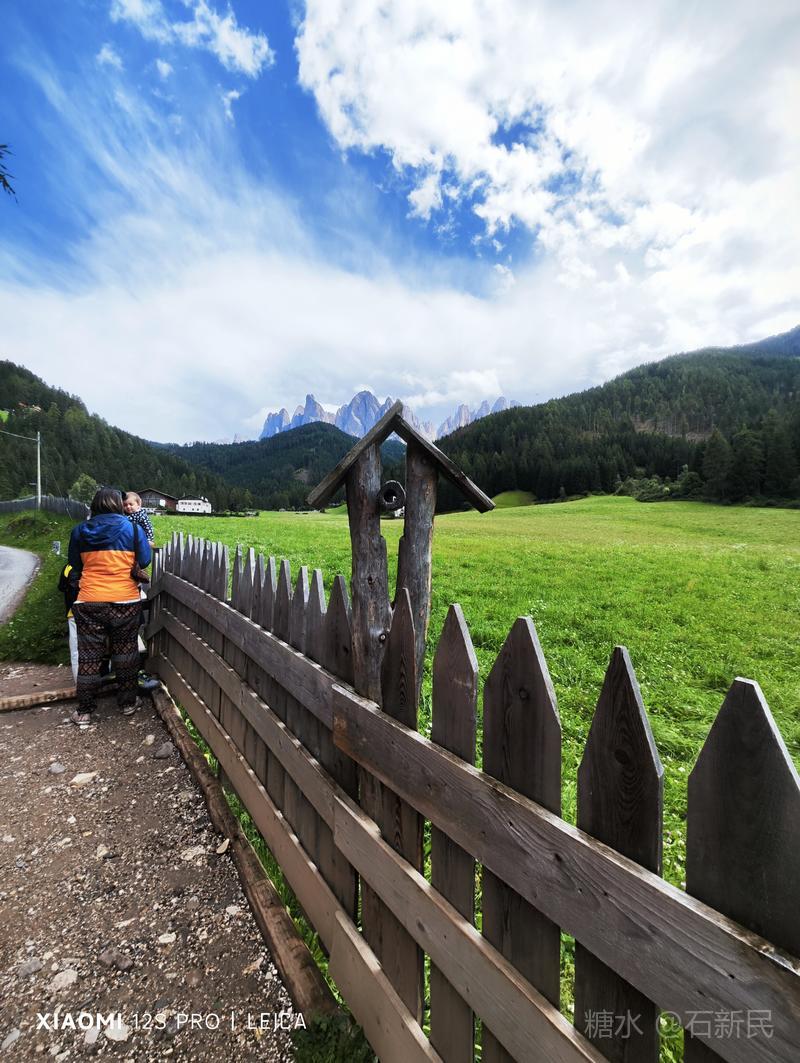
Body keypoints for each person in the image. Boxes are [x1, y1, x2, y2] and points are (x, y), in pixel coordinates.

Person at [68, 487, 151, 728]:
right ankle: (127, 704)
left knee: (89, 657)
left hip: (89, 601)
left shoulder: (79, 531)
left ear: (94, 505)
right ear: (118, 505)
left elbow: (74, 563)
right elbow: (145, 560)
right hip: (125, 600)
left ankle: (84, 711)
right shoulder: (133, 529)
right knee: (126, 653)